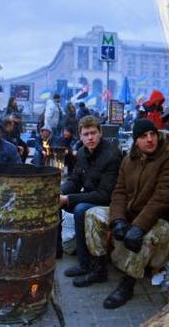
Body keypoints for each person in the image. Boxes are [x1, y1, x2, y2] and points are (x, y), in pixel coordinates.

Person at [83, 119, 169, 309]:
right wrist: (118, 220)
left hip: (164, 217)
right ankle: (98, 268)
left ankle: (128, 284)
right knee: (92, 214)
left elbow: (163, 198)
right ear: (136, 141)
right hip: (133, 212)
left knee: (144, 235)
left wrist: (138, 226)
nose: (150, 139)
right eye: (143, 136)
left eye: (153, 134)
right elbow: (119, 192)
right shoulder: (129, 160)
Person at [58, 116, 122, 286]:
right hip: (91, 197)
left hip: (110, 202)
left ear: (100, 133)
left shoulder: (112, 155)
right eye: (86, 134)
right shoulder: (81, 153)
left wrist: (68, 199)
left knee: (80, 210)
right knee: (55, 202)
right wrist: (59, 192)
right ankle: (57, 250)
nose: (90, 138)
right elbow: (74, 181)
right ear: (80, 136)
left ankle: (86, 264)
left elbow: (105, 194)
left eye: (93, 133)